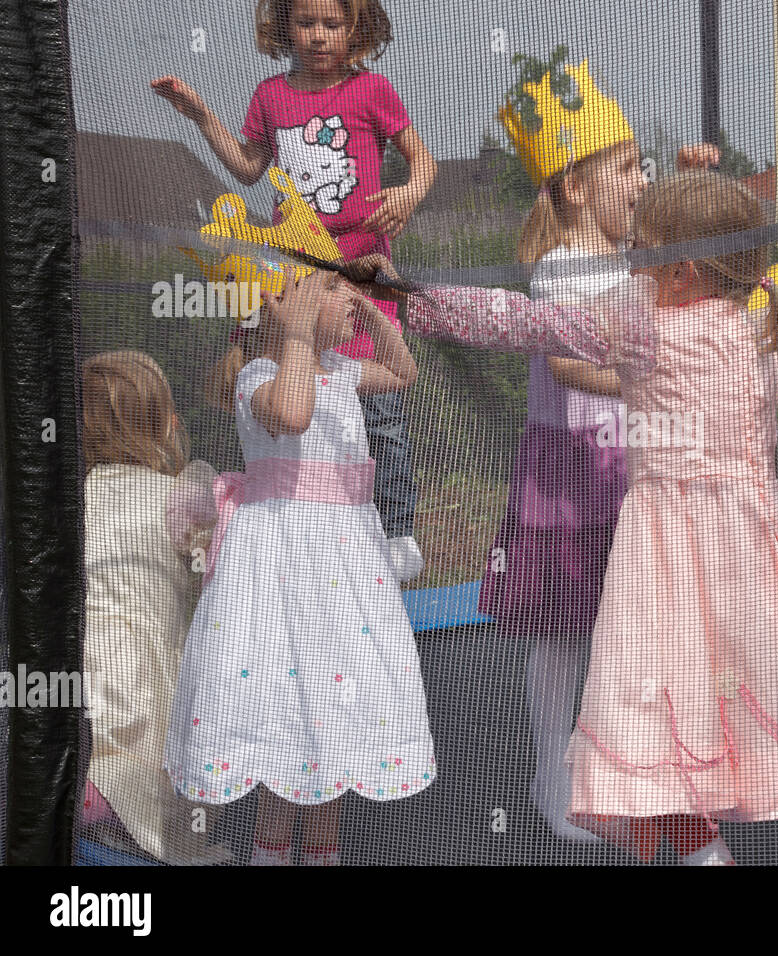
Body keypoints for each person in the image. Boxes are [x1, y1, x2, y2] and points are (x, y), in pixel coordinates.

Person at [347, 170, 778, 865]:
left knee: (649, 702)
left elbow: (521, 322)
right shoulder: (757, 331)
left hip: (673, 546)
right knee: (712, 697)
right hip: (753, 550)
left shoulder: (648, 327)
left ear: (678, 272)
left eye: (642, 252)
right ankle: (700, 843)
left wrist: (410, 296)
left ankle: (701, 849)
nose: (628, 263)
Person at [483, 53, 719, 843]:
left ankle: (626, 764)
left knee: (629, 626)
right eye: (627, 167)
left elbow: (683, 265)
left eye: (643, 166)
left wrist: (691, 184)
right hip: (572, 470)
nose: (640, 180)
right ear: (576, 186)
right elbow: (564, 358)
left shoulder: (625, 257)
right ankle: (555, 775)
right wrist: (646, 383)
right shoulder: (559, 269)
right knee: (560, 630)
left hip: (628, 468)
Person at [151, 0, 436, 578]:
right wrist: (202, 116)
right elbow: (248, 168)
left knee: (378, 403)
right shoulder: (271, 96)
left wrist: (409, 192)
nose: (319, 35)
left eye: (333, 25)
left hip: (358, 273)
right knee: (287, 385)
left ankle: (396, 529)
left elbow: (423, 160)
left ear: (355, 28)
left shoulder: (372, 90)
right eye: (306, 24)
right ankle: (283, 500)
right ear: (285, 27)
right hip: (297, 267)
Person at [163, 269, 437, 866]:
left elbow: (403, 373)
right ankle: (270, 848)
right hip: (282, 561)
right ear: (284, 310)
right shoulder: (259, 377)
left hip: (347, 559)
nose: (346, 300)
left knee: (335, 689)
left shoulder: (340, 372)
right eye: (331, 290)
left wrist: (370, 312)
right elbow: (292, 417)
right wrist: (295, 338)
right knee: (284, 689)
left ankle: (322, 849)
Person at [80, 351, 228, 864]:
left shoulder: (70, 497)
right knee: (167, 752)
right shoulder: (178, 497)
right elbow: (216, 569)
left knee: (97, 753)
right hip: (142, 662)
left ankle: (89, 806)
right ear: (166, 423)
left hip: (71, 661)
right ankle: (158, 840)